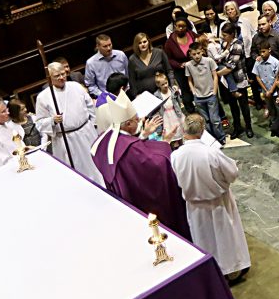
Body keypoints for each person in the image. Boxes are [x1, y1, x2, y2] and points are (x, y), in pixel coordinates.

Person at [91, 90, 192, 240]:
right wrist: (164, 144)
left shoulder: (108, 140)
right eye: (136, 119)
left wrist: (143, 136)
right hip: (147, 203)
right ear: (127, 124)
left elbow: (135, 147)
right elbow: (156, 165)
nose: (139, 120)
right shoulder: (130, 149)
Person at [170, 114, 251, 280]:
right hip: (218, 203)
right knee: (225, 237)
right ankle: (232, 268)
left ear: (184, 131)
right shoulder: (211, 152)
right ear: (202, 130)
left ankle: (213, 272)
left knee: (204, 238)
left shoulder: (176, 155)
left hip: (195, 206)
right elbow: (232, 173)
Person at [35, 62, 105, 185]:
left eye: (63, 74)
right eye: (57, 76)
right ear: (49, 78)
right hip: (65, 138)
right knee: (78, 171)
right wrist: (52, 121)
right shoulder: (43, 97)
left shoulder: (76, 87)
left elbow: (90, 107)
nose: (61, 78)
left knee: (97, 166)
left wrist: (93, 126)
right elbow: (40, 123)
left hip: (86, 133)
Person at [185, 42, 226, 145]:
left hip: (210, 95)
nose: (197, 56)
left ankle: (221, 137)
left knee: (214, 119)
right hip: (198, 97)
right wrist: (194, 92)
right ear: (190, 54)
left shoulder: (209, 61)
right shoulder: (188, 65)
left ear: (202, 51)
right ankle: (211, 139)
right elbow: (189, 80)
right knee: (205, 121)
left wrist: (214, 91)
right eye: (194, 54)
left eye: (198, 53)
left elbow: (215, 76)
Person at [84, 34, 129, 100]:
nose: (109, 48)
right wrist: (104, 96)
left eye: (110, 44)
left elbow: (127, 74)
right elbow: (91, 85)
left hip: (125, 93)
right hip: (107, 99)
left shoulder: (121, 55)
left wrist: (127, 88)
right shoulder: (91, 63)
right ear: (98, 46)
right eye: (105, 46)